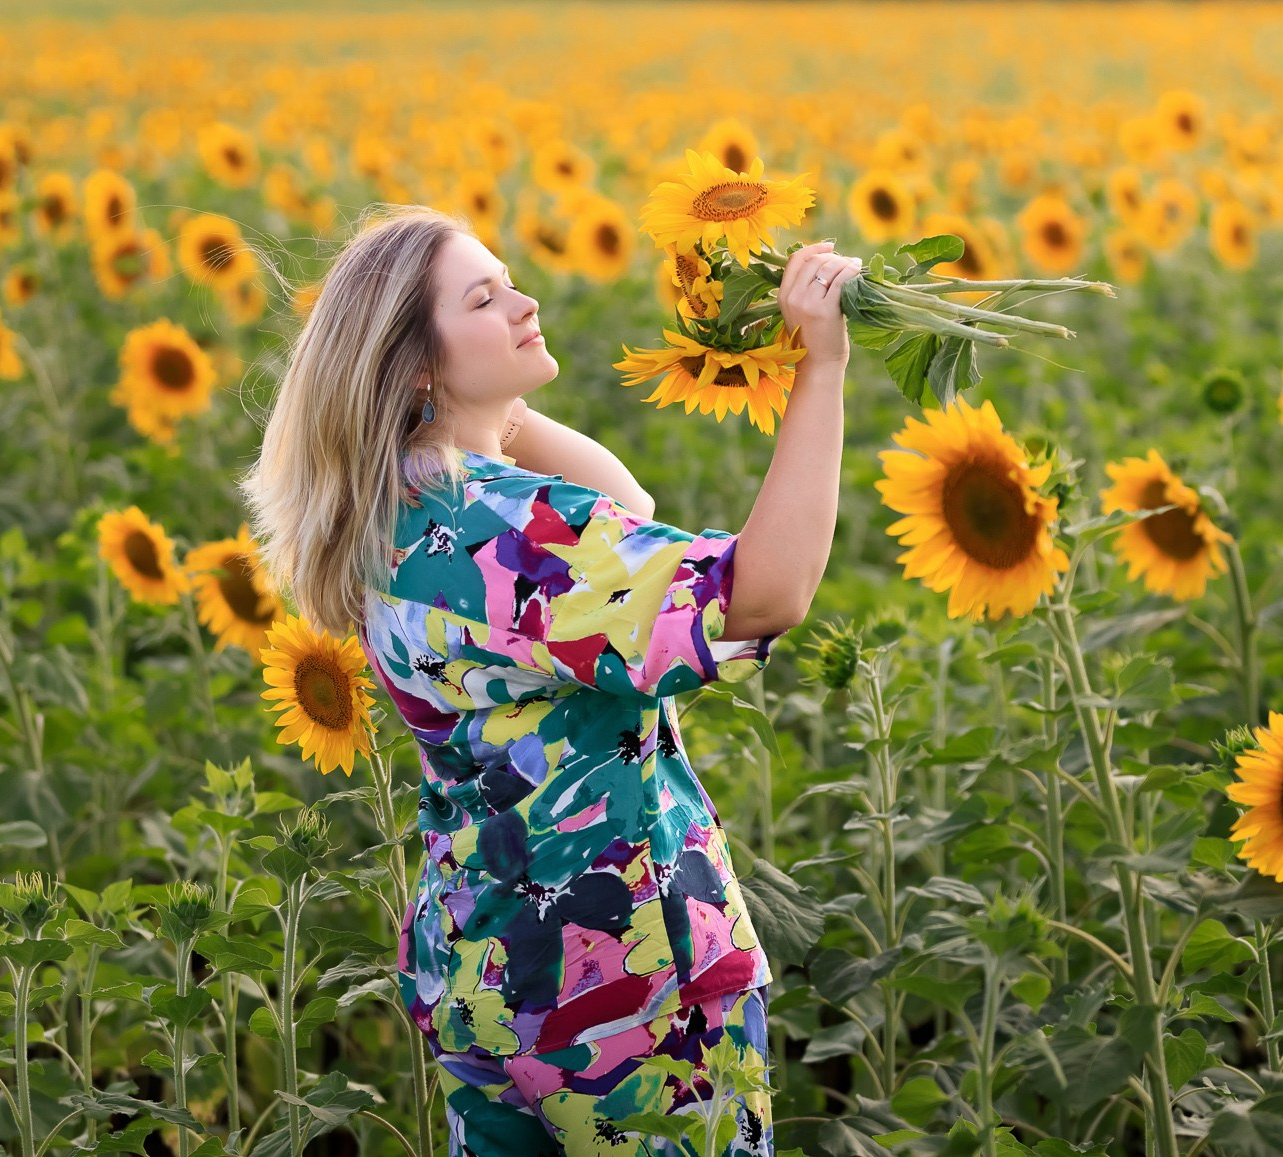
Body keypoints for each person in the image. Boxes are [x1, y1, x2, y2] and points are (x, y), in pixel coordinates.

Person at [240, 203, 862, 1155]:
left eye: (509, 282)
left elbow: (623, 509)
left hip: (486, 980)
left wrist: (484, 413)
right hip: (626, 989)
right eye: (484, 299)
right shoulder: (512, 531)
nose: (525, 302)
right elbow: (763, 593)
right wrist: (823, 365)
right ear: (415, 364)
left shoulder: (391, 512)